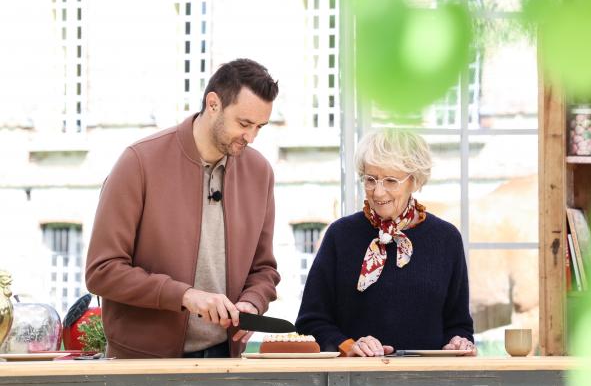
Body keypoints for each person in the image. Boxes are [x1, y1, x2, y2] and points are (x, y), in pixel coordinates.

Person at [85, 58, 281, 358]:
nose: (251, 137)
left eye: (259, 127)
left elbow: (263, 268)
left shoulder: (259, 172)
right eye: (243, 124)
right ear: (213, 103)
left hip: (225, 358)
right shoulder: (139, 162)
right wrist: (185, 296)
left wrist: (252, 302)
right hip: (144, 363)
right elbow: (102, 271)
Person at [296, 129, 475, 357]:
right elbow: (310, 323)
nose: (378, 192)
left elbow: (459, 325)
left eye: (391, 180)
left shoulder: (446, 238)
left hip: (429, 383)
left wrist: (459, 342)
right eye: (370, 179)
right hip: (353, 382)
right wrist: (348, 345)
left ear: (415, 180)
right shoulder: (340, 236)